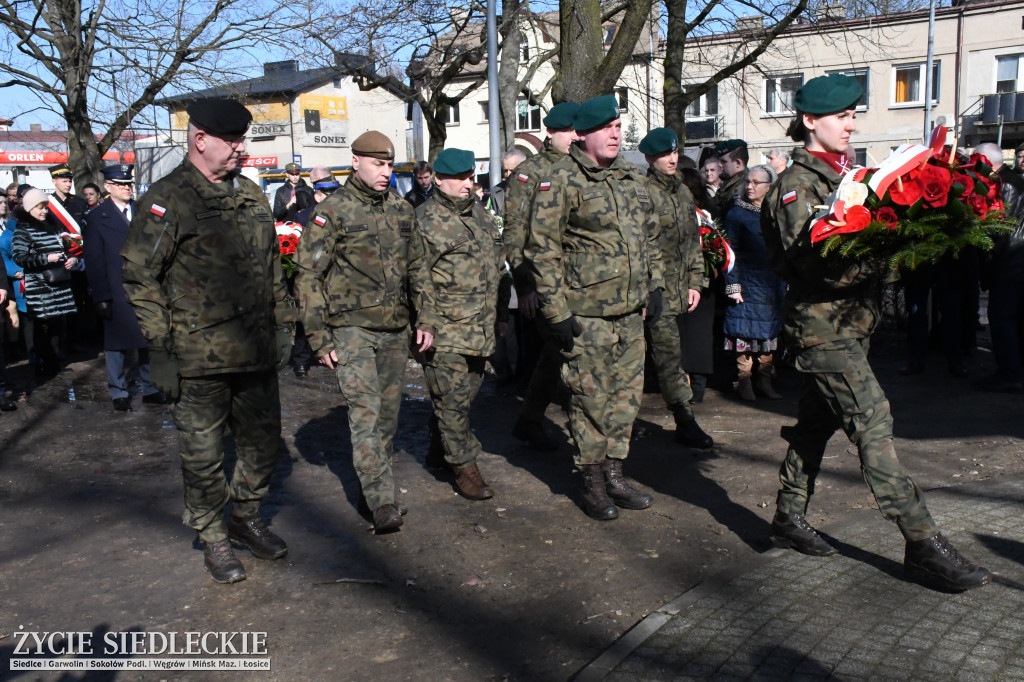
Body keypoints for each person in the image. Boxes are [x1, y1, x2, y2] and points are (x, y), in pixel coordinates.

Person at [761, 73, 989, 591]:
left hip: (850, 325)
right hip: (822, 330)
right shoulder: (797, 188)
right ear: (809, 121)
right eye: (840, 116)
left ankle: (786, 518)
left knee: (817, 425)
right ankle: (922, 542)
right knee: (872, 423)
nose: (851, 123)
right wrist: (883, 254)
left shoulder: (846, 178)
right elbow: (814, 268)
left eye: (853, 114)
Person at [121, 97, 296, 584]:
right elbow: (140, 277)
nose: (241, 149)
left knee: (263, 445)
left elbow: (271, 274)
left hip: (255, 352)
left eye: (243, 140)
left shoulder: (251, 198)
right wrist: (159, 348)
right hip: (198, 358)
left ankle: (244, 514)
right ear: (201, 140)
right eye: (233, 140)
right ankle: (215, 538)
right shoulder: (169, 198)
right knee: (202, 456)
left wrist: (285, 325)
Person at [525, 95, 663, 521]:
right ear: (582, 134)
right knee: (589, 398)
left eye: (618, 125)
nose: (616, 133)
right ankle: (591, 480)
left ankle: (615, 472)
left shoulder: (631, 177)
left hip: (629, 313)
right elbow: (541, 250)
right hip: (585, 314)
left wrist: (655, 286)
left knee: (625, 398)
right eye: (606, 127)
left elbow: (650, 238)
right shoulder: (559, 179)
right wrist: (556, 312)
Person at [295, 133, 424, 532]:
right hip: (351, 329)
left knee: (387, 417)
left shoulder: (402, 210)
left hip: (394, 330)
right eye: (377, 164)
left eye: (389, 165)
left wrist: (427, 321)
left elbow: (418, 270)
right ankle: (382, 500)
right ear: (356, 162)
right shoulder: (332, 212)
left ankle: (376, 485)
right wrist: (318, 337)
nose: (385, 172)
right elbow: (307, 275)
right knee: (366, 414)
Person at [409, 147, 509, 501]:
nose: (470, 184)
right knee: (452, 402)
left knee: (464, 399)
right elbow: (415, 278)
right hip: (444, 330)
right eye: (462, 178)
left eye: (472, 177)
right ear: (438, 179)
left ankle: (439, 451)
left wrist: (500, 317)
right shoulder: (422, 220)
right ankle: (466, 468)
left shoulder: (480, 215)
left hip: (479, 329)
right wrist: (423, 326)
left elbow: (497, 268)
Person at [503, 101, 579, 450]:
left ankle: (530, 419)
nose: (576, 137)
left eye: (579, 130)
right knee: (564, 352)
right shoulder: (530, 173)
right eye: (569, 131)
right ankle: (579, 428)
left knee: (557, 354)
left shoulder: (581, 167)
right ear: (551, 133)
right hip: (544, 280)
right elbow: (515, 232)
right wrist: (526, 287)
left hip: (580, 278)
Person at [638, 127, 714, 447]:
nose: (671, 159)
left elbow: (692, 241)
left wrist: (696, 280)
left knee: (670, 355)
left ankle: (683, 419)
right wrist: (653, 286)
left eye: (673, 153)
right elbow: (641, 244)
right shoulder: (642, 192)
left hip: (679, 289)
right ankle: (683, 418)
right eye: (664, 155)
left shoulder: (682, 191)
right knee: (664, 356)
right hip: (653, 291)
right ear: (649, 158)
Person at [82, 163, 166, 411]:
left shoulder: (143, 210)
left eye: (129, 184)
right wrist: (100, 296)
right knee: (117, 343)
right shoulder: (97, 218)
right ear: (108, 187)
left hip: (146, 286)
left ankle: (150, 387)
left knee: (148, 338)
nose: (127, 188)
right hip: (116, 288)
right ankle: (118, 391)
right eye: (121, 184)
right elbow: (95, 260)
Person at [722, 164, 786, 401]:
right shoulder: (737, 213)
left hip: (771, 283)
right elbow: (730, 250)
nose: (750, 186)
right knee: (744, 334)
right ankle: (744, 381)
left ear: (769, 187)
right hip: (747, 283)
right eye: (748, 181)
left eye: (756, 183)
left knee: (769, 335)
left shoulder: (775, 212)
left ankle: (765, 380)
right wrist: (733, 283)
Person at [11, 188, 81, 379]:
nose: (44, 211)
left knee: (57, 326)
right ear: (29, 209)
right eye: (39, 208)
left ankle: (53, 362)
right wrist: (45, 258)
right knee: (42, 328)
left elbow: (68, 248)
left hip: (60, 285)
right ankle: (43, 364)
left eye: (45, 207)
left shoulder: (54, 225)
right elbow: (20, 258)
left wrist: (72, 259)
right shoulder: (23, 229)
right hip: (40, 288)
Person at [975, 141, 1024, 392]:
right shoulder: (1013, 180)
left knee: (1002, 319)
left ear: (986, 161)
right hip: (1015, 262)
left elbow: (1001, 231)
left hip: (1011, 264)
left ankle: (1010, 374)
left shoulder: (1005, 185)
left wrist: (988, 262)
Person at [290, 166, 339, 378]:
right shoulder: (304, 217)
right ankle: (301, 361)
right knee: (305, 318)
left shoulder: (340, 215)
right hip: (312, 275)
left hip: (334, 277)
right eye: (325, 194)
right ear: (317, 196)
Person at [678, 167, 718, 401]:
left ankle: (698, 386)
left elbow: (719, 248)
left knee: (697, 337)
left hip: (701, 282)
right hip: (684, 280)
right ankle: (687, 383)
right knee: (684, 337)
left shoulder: (705, 214)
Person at [486, 148, 527, 215]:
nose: (508, 174)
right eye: (505, 170)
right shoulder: (497, 191)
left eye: (512, 170)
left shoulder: (533, 189)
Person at [714, 139, 749, 216]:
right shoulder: (730, 182)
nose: (719, 164)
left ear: (737, 163)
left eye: (723, 161)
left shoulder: (744, 186)